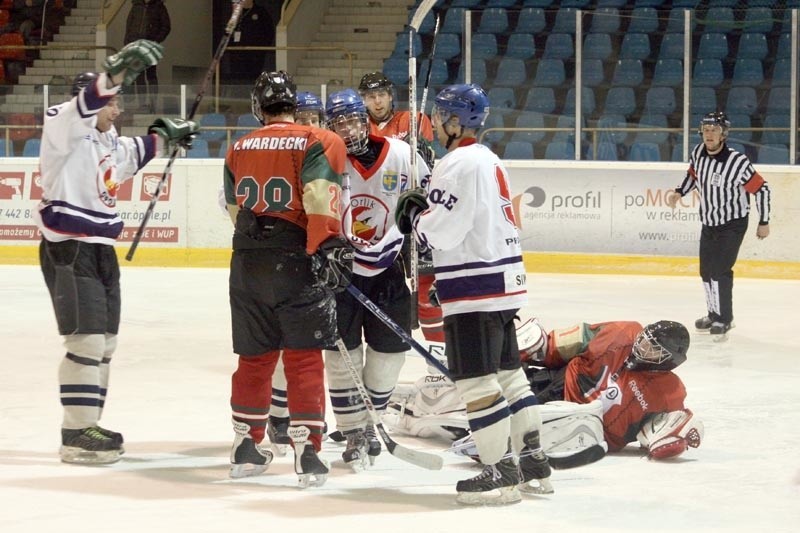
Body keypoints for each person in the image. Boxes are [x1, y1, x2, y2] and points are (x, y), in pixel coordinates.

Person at [34, 40, 198, 465]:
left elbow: (142, 150)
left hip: (101, 250)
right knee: (84, 341)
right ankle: (75, 432)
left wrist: (169, 135)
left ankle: (90, 423)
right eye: (113, 101)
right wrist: (115, 75)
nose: (118, 108)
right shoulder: (63, 127)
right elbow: (85, 106)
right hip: (69, 249)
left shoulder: (113, 142)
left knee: (105, 343)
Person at [394, 83, 551, 506]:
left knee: (478, 384)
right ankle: (532, 460)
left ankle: (500, 473)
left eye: (439, 116)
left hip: (474, 287)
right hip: (503, 284)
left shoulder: (458, 163)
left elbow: (444, 229)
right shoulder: (489, 159)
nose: (432, 124)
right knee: (509, 377)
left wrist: (416, 217)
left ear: (455, 120)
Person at [222, 70, 351, 488]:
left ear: (259, 108)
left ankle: (246, 445)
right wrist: (327, 245)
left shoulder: (238, 146)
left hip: (247, 264)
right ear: (294, 105)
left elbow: (234, 208)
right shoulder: (318, 139)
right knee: (303, 356)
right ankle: (307, 451)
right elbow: (318, 195)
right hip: (297, 261)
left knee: (255, 358)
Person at [386, 317, 704, 464]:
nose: (641, 345)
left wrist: (679, 436)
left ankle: (427, 419)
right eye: (645, 338)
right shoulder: (622, 332)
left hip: (580, 429)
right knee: (482, 389)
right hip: (553, 382)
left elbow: (668, 434)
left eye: (652, 347)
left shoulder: (669, 392)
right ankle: (411, 401)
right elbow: (561, 343)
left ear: (668, 360)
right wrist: (509, 352)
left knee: (489, 423)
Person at [322, 88, 430, 470]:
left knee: (389, 353)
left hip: (390, 271)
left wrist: (426, 188)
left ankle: (372, 423)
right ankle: (353, 431)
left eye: (353, 120)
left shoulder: (402, 154)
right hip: (341, 273)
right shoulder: (325, 161)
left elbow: (429, 198)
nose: (348, 129)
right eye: (339, 123)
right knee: (340, 356)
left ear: (364, 119)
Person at [666, 111, 771, 342]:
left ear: (723, 134)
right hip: (709, 222)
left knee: (720, 271)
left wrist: (764, 221)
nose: (709, 134)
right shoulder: (698, 153)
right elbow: (692, 176)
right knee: (706, 271)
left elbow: (762, 189)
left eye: (714, 130)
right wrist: (678, 192)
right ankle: (713, 313)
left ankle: (725, 318)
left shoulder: (737, 162)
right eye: (706, 130)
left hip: (733, 224)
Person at [358, 71, 442, 358]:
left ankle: (438, 355)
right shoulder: (358, 127)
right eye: (370, 96)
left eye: (381, 94)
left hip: (411, 212)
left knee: (426, 286)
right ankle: (383, 350)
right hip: (376, 219)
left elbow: (426, 163)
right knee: (377, 286)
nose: (377, 101)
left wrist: (421, 151)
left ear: (391, 95)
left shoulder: (414, 121)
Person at [124, 0, 171, 110]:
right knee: (139, 75)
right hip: (136, 45)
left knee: (151, 75)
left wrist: (156, 40)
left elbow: (166, 27)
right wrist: (127, 43)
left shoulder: (159, 7)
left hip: (150, 46)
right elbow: (129, 25)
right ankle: (142, 104)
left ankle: (153, 104)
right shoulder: (136, 6)